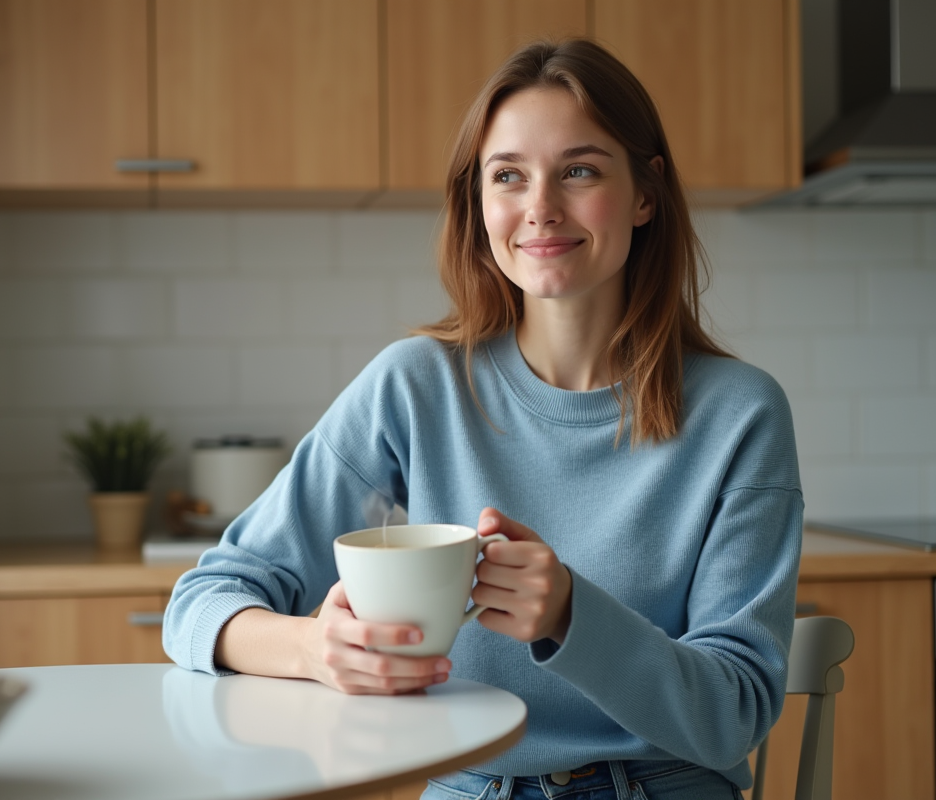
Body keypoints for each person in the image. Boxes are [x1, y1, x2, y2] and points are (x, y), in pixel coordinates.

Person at [163, 38, 801, 800]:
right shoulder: (415, 385)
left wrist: (569, 613)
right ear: (480, 203)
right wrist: (313, 646)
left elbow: (735, 715)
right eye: (508, 177)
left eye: (579, 170)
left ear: (644, 194)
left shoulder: (740, 413)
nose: (540, 209)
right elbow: (201, 604)